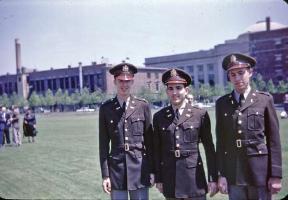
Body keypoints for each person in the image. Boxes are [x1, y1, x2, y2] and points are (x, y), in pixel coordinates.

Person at [216, 53, 282, 200]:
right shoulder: (222, 104)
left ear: (250, 72)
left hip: (260, 172)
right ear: (229, 77)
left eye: (241, 73)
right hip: (234, 173)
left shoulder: (264, 100)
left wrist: (276, 175)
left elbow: (274, 141)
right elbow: (221, 143)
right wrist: (221, 175)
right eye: (233, 74)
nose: (237, 78)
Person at [153, 68, 218, 199]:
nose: (174, 92)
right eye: (170, 88)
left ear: (186, 90)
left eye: (178, 88)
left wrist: (213, 177)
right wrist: (159, 178)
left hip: (194, 179)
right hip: (171, 180)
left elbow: (209, 148)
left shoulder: (200, 114)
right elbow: (157, 150)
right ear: (166, 91)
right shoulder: (159, 117)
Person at [99, 63, 154, 200]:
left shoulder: (143, 106)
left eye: (127, 81)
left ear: (132, 81)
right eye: (121, 81)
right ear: (114, 81)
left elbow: (151, 143)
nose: (124, 84)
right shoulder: (106, 109)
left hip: (140, 169)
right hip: (117, 170)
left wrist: (153, 171)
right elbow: (104, 145)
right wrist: (106, 175)